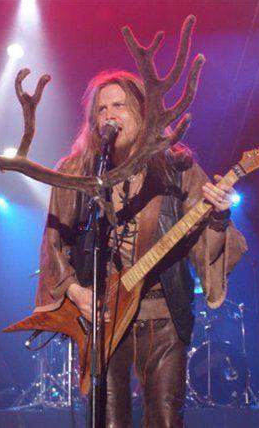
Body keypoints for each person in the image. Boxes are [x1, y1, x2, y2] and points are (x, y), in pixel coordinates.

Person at [33, 70, 247, 427]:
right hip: (105, 316)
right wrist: (75, 291)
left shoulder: (177, 166)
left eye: (119, 106)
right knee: (109, 420)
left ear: (142, 113)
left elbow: (205, 249)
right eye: (101, 110)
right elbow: (53, 243)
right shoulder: (77, 172)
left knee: (165, 417)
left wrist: (220, 215)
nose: (109, 116)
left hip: (164, 314)